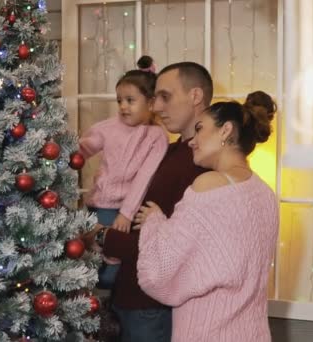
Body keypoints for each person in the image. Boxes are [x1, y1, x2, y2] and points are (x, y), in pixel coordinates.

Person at [134, 92, 280, 341]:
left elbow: (158, 274)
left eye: (200, 129)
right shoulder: (265, 193)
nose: (191, 140)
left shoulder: (208, 185)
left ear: (225, 131)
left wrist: (154, 221)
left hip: (207, 332)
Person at [84, 62, 213, 342]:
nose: (155, 107)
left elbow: (178, 244)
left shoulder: (201, 164)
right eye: (154, 99)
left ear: (195, 96)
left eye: (165, 97)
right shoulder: (172, 149)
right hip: (129, 292)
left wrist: (105, 236)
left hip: (151, 303)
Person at [79, 56, 168, 289]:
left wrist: (127, 214)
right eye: (119, 101)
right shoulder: (109, 127)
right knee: (86, 264)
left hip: (121, 210)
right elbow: (84, 148)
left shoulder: (156, 136)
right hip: (96, 205)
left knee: (110, 272)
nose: (123, 107)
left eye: (130, 100)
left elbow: (145, 178)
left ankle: (110, 307)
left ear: (150, 103)